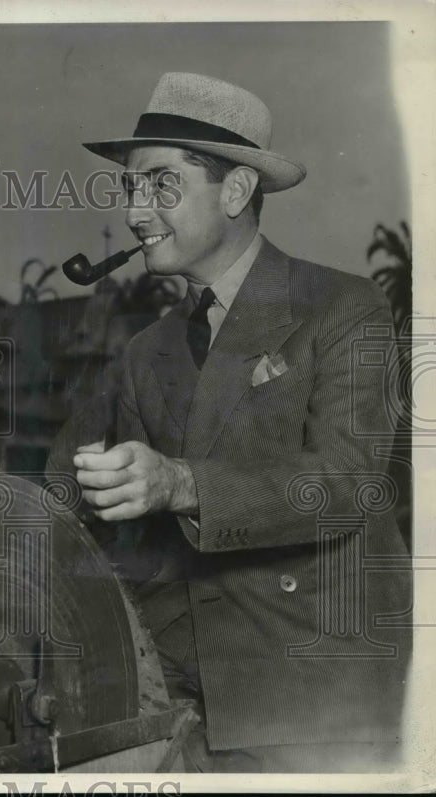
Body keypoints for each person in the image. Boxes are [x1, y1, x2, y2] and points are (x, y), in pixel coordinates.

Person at [71, 72, 411, 772]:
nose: (137, 211)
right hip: (187, 702)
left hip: (318, 708)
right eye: (129, 187)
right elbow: (124, 541)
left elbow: (346, 482)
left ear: (235, 192)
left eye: (161, 184)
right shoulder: (146, 353)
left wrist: (179, 483)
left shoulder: (343, 310)